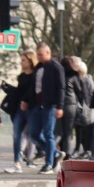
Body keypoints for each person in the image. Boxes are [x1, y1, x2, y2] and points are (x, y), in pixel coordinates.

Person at [31, 42, 66, 174]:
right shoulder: (38, 67)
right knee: (34, 134)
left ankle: (49, 164)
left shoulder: (56, 67)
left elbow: (61, 87)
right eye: (37, 54)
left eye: (41, 54)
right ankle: (56, 153)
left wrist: (60, 106)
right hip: (37, 105)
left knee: (48, 133)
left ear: (48, 53)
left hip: (50, 105)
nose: (39, 57)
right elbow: (33, 86)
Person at [3, 51, 38, 173]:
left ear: (30, 61)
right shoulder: (21, 76)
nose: (21, 62)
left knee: (34, 135)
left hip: (32, 109)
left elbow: (32, 92)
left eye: (23, 60)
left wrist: (26, 100)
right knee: (17, 134)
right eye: (21, 60)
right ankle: (17, 163)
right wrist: (8, 88)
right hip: (20, 109)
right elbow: (19, 92)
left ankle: (52, 154)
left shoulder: (35, 75)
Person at [70, 57, 94, 158]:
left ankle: (87, 150)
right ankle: (81, 149)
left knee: (86, 130)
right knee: (79, 129)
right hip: (79, 108)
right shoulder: (77, 79)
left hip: (87, 108)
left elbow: (91, 94)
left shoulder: (88, 80)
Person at [58, 56, 80, 159]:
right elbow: (80, 91)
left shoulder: (58, 75)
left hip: (60, 104)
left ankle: (59, 151)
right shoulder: (74, 76)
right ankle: (67, 154)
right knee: (68, 132)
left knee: (59, 131)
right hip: (71, 104)